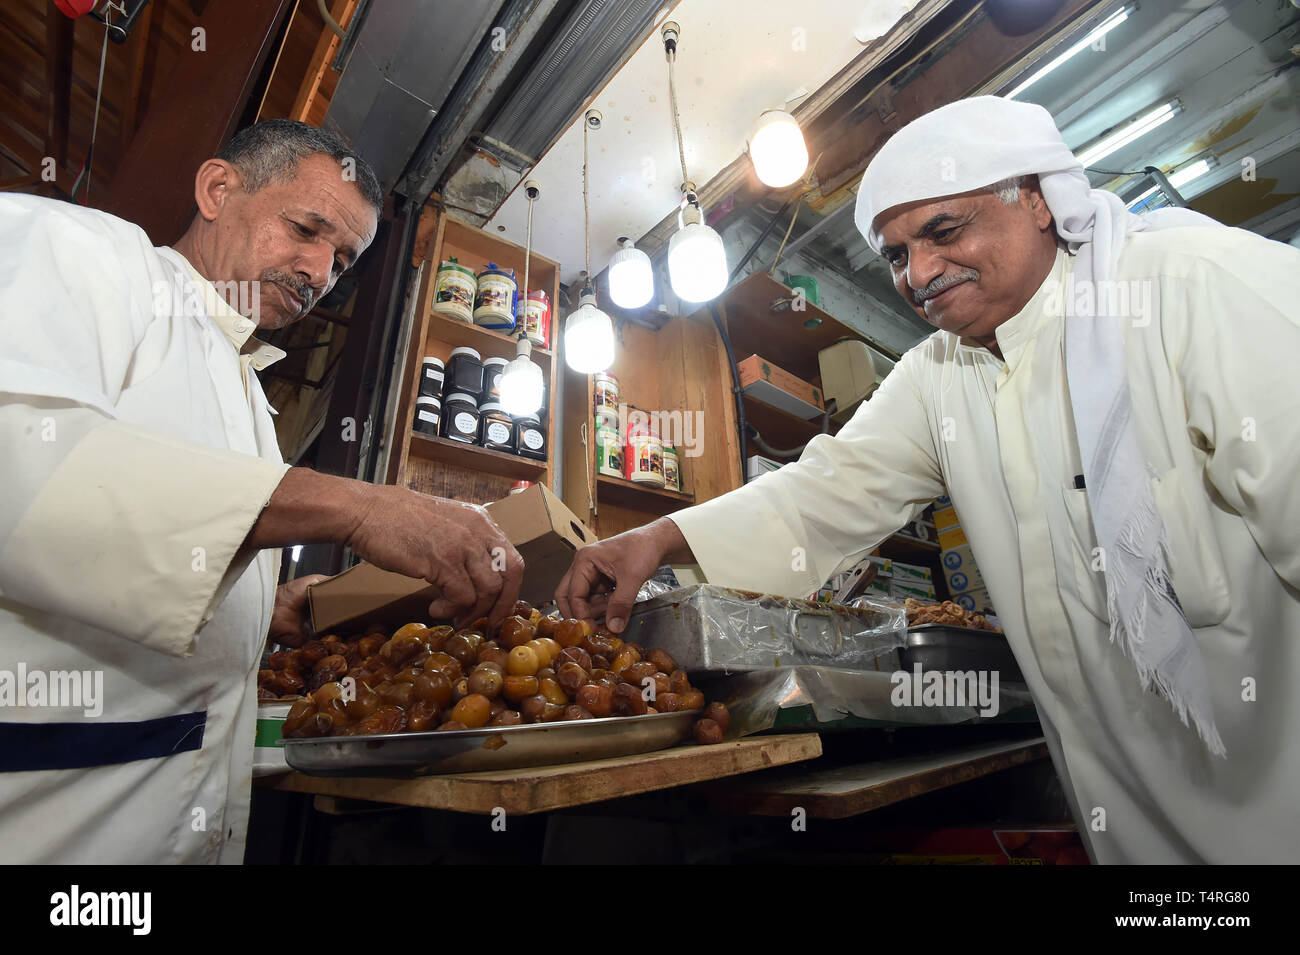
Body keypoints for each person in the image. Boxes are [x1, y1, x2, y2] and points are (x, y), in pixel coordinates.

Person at [557, 96, 1300, 864]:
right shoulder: (939, 375)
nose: (918, 273)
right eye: (895, 254)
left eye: (944, 231)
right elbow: (825, 490)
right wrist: (657, 537)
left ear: (1037, 198)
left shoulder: (1196, 287)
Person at [0, 119, 523, 863]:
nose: (318, 271)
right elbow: (21, 465)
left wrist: (271, 605)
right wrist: (356, 506)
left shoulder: (250, 393)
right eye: (306, 229)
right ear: (218, 189)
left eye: (342, 260)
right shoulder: (76, 248)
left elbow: (174, 558)